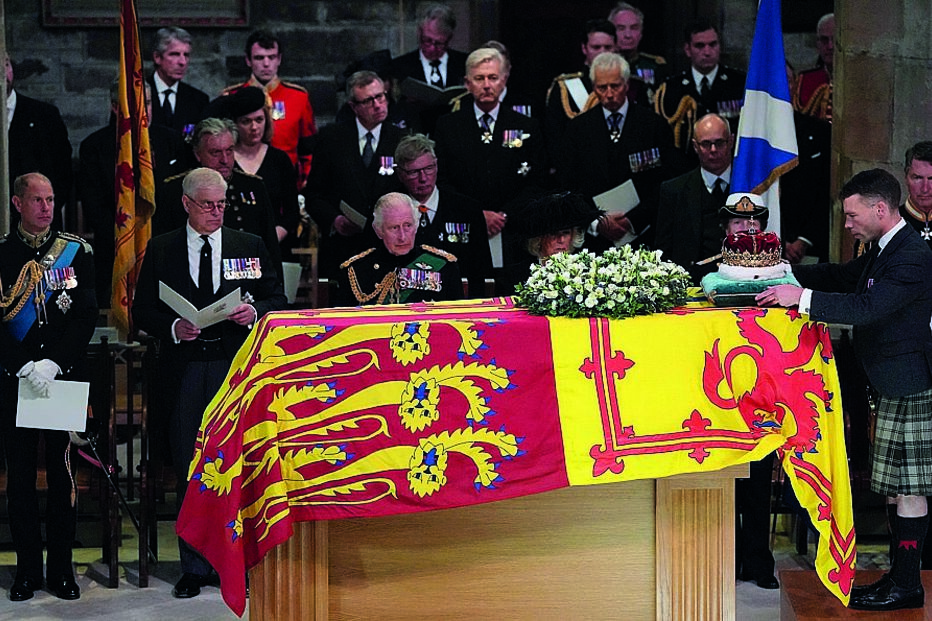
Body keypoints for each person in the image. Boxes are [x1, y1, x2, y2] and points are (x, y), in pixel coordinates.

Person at [758, 169, 932, 611]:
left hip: (909, 383)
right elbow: (842, 275)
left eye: (853, 215)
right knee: (895, 487)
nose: (848, 223)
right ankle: (899, 578)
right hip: (889, 382)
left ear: (880, 209)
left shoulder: (912, 254)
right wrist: (782, 274)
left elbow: (867, 308)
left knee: (909, 489)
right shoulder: (883, 248)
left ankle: (907, 585)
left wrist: (799, 300)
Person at [132, 167, 286, 599]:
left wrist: (253, 313)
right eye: (207, 205)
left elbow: (277, 298)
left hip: (233, 368)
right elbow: (142, 310)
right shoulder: (162, 248)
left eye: (221, 204)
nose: (216, 212)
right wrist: (173, 327)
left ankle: (236, 562)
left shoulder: (248, 245)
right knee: (191, 465)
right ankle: (195, 566)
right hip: (184, 369)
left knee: (236, 464)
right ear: (186, 203)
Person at [0, 173, 98, 602]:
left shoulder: (76, 251)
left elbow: (86, 314)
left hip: (62, 378)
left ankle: (61, 571)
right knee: (20, 480)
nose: (46, 207)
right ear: (17, 203)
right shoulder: (2, 254)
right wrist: (24, 365)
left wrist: (54, 362)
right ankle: (26, 572)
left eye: (51, 199)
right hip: (17, 382)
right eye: (37, 200)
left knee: (62, 477)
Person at [432, 47, 545, 294]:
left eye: (492, 78)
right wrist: (477, 215)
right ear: (467, 83)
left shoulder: (527, 126)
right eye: (479, 78)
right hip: (463, 233)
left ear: (503, 80)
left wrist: (503, 215)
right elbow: (441, 180)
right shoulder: (448, 126)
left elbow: (537, 182)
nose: (486, 85)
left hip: (512, 232)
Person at [558, 51, 681, 251]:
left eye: (615, 86)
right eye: (602, 87)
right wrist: (596, 221)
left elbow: (667, 181)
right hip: (594, 240)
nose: (609, 94)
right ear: (594, 88)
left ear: (627, 85)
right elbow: (569, 185)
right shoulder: (577, 129)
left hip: (645, 234)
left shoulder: (653, 125)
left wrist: (633, 220)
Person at [79, 78, 186, 306]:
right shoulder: (94, 147)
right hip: (116, 249)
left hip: (165, 246)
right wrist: (126, 242)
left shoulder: (171, 141)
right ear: (115, 107)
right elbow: (94, 206)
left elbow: (179, 199)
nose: (143, 111)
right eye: (134, 105)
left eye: (147, 103)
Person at [304, 70, 408, 281]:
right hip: (343, 250)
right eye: (368, 101)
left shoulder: (402, 140)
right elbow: (314, 195)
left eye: (380, 97)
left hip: (388, 249)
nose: (378, 105)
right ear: (353, 106)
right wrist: (335, 220)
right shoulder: (331, 138)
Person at [155, 117, 282, 270]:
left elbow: (271, 249)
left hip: (243, 274)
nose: (225, 160)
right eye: (216, 152)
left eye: (229, 151)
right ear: (198, 154)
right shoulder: (175, 189)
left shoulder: (253, 187)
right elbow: (162, 247)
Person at [394, 133, 491, 298]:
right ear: (400, 174)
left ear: (437, 165)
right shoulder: (388, 211)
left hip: (457, 303)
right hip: (404, 303)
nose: (423, 178)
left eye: (428, 169)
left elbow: (481, 271)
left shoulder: (467, 210)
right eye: (414, 172)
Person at [212, 86, 300, 253]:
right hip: (230, 247)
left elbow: (291, 212)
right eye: (246, 121)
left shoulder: (279, 160)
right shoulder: (224, 160)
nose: (254, 127)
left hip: (273, 247)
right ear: (235, 124)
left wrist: (270, 240)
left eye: (259, 120)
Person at [224, 31, 317, 188]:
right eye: (259, 58)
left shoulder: (298, 97)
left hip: (287, 182)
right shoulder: (232, 96)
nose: (266, 64)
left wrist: (306, 183)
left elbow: (308, 150)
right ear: (248, 60)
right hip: (243, 181)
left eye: (271, 57)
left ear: (279, 59)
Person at [336, 192, 463, 305]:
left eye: (407, 226)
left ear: (416, 226)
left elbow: (458, 319)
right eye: (394, 228)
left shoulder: (444, 267)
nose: (402, 237)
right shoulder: (357, 271)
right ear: (378, 230)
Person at [654, 113, 734, 281]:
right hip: (692, 284)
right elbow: (662, 252)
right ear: (695, 146)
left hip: (743, 283)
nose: (713, 150)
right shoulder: (673, 191)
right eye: (706, 144)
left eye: (719, 143)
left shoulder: (752, 187)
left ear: (731, 141)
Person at [653, 18, 746, 156]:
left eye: (713, 44)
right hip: (687, 163)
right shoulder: (671, 89)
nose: (707, 52)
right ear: (688, 49)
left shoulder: (739, 84)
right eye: (700, 46)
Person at [5, 56, 73, 232]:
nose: (3, 73)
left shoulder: (44, 116)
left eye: (6, 64)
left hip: (37, 230)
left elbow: (63, 171)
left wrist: (43, 210)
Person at [544, 20, 617, 169]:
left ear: (616, 48)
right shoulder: (565, 88)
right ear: (584, 48)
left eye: (608, 47)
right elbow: (554, 138)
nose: (603, 53)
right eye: (596, 47)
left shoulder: (633, 86)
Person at [146, 27, 209, 139]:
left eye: (186, 55)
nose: (182, 62)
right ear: (157, 57)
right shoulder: (137, 94)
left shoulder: (199, 100)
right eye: (174, 54)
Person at [515, 191, 603, 265]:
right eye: (553, 233)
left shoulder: (586, 268)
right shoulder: (518, 274)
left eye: (566, 232)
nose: (561, 239)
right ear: (539, 239)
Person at [607, 2, 668, 103]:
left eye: (634, 28)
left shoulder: (655, 65)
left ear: (641, 33)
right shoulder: (602, 65)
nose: (628, 35)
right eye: (621, 29)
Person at [794, 13, 834, 122]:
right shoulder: (804, 81)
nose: (830, 46)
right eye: (824, 40)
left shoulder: (858, 83)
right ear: (818, 43)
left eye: (835, 40)